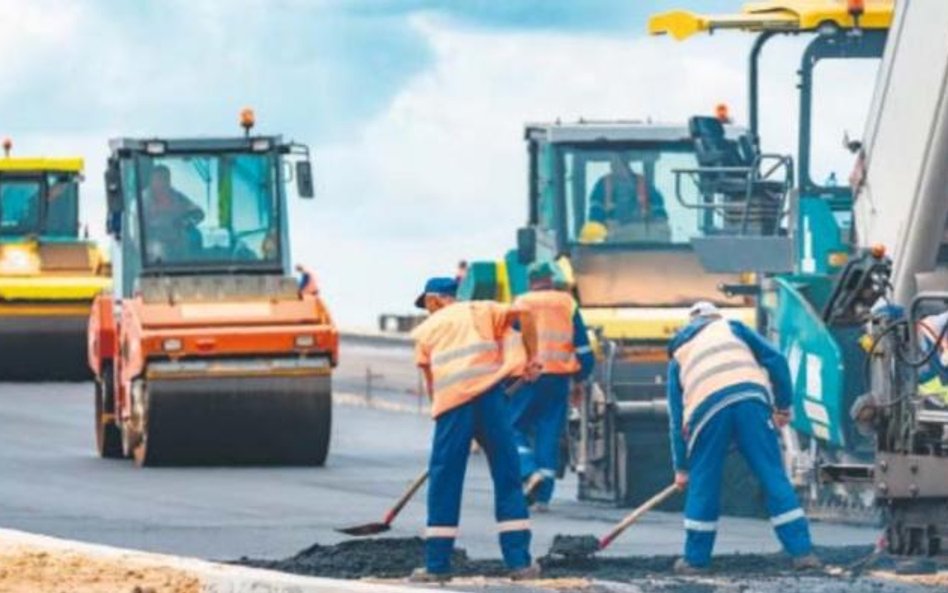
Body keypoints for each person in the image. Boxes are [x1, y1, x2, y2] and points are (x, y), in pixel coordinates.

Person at [667, 301, 821, 574]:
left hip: (706, 411)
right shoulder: (733, 328)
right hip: (751, 401)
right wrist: (783, 405)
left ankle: (695, 560)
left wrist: (682, 467)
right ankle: (802, 553)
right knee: (773, 475)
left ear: (690, 324)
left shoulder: (680, 353)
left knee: (704, 481)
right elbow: (776, 360)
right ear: (716, 317)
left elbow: (677, 418)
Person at [409, 277, 542, 583]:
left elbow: (432, 385)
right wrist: (532, 358)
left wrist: (446, 428)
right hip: (491, 399)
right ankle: (520, 563)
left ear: (437, 299)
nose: (427, 310)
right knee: (508, 474)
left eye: (427, 303)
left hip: (453, 406)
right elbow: (524, 313)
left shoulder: (427, 330)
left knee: (445, 478)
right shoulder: (481, 311)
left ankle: (437, 565)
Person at [508, 261, 594, 511]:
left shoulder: (520, 303)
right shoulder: (567, 303)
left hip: (526, 377)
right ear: (551, 279)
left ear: (530, 282)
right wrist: (581, 378)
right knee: (549, 433)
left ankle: (528, 471)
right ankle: (543, 498)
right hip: (558, 379)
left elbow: (507, 343)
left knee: (511, 427)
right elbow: (584, 348)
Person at [142, 165, 204, 260]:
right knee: (159, 250)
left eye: (166, 178)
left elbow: (198, 212)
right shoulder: (143, 201)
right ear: (152, 181)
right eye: (159, 179)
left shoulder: (177, 197)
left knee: (194, 237)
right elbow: (136, 233)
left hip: (176, 238)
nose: (163, 182)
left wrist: (186, 222)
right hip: (151, 242)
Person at [588, 155, 667, 226]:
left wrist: (658, 219)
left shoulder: (644, 184)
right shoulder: (602, 185)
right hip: (612, 240)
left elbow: (659, 213)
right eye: (613, 163)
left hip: (642, 239)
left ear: (627, 165)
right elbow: (595, 215)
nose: (614, 167)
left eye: (619, 163)